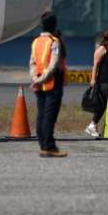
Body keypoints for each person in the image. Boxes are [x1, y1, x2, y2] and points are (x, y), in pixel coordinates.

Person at [30, 12, 67, 157]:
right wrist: (43, 78)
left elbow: (32, 62)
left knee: (41, 115)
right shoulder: (54, 41)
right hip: (52, 82)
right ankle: (49, 146)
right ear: (54, 25)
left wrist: (36, 78)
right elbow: (54, 63)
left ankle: (43, 145)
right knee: (49, 116)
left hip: (39, 83)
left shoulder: (36, 41)